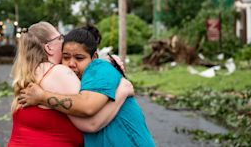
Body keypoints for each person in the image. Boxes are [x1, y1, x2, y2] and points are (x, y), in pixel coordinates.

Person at [19, 26, 155, 147]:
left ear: (93, 57)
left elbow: (88, 111)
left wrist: (42, 96)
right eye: (66, 57)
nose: (71, 63)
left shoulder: (99, 68)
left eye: (79, 58)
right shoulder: (73, 74)